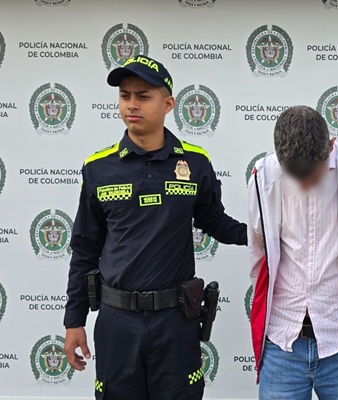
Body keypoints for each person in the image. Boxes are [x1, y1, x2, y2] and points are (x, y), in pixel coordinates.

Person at [63, 55, 247, 400]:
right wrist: (74, 320)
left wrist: (261, 235)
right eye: (125, 95)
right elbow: (85, 248)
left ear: (168, 104)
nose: (131, 104)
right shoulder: (98, 167)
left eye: (143, 96)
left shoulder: (195, 162)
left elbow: (215, 222)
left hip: (175, 320)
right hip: (116, 321)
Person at [247, 106, 338, 400]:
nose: (304, 185)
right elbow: (259, 254)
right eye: (295, 176)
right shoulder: (264, 177)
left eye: (312, 176)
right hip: (282, 340)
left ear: (331, 146)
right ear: (279, 158)